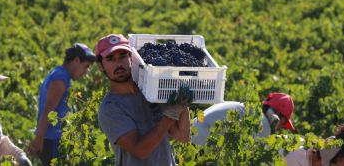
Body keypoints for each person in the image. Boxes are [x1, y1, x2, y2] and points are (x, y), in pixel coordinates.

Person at [95, 34, 193, 166]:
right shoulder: (110, 108)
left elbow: (183, 136)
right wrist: (170, 114)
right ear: (101, 66)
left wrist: (182, 102)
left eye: (123, 56)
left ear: (131, 58)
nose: (118, 64)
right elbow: (140, 150)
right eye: (111, 59)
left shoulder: (151, 90)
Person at [28, 43, 96, 166]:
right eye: (85, 66)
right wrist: (39, 138)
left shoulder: (59, 73)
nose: (86, 72)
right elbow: (49, 107)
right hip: (53, 140)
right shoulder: (60, 76)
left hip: (55, 140)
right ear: (76, 60)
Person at [191, 92, 295, 148]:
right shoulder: (262, 124)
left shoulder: (249, 111)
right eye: (283, 122)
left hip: (190, 135)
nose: (280, 129)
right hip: (201, 144)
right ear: (276, 115)